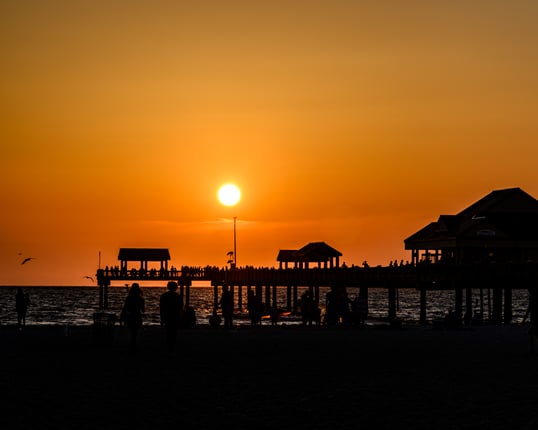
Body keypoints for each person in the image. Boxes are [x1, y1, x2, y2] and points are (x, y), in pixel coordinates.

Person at [120, 283, 145, 353]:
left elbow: (125, 308)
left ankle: (132, 344)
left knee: (131, 331)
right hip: (137, 315)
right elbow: (143, 310)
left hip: (130, 316)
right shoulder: (141, 299)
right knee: (135, 332)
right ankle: (133, 344)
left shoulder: (128, 298)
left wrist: (122, 317)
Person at [160, 281, 184, 352]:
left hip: (167, 315)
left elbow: (161, 308)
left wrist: (162, 318)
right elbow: (181, 308)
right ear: (176, 288)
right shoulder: (178, 296)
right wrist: (181, 317)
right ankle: (172, 346)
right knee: (174, 332)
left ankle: (169, 346)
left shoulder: (164, 296)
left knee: (168, 331)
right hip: (175, 315)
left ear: (168, 287)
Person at [522, 289, 538, 354]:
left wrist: (524, 320)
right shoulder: (533, 297)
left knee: (533, 333)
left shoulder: (532, 298)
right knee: (532, 333)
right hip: (534, 318)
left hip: (535, 318)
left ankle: (532, 350)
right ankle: (532, 350)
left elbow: (529, 309)